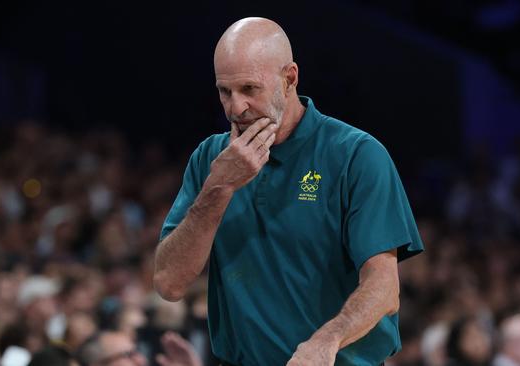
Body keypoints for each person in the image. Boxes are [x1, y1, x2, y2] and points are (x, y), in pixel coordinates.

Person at [153, 16, 424, 366]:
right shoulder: (210, 158)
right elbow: (169, 284)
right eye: (225, 91)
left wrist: (328, 339)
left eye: (250, 89)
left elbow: (385, 289)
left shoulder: (356, 154)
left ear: (289, 79)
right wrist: (219, 188)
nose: (236, 108)